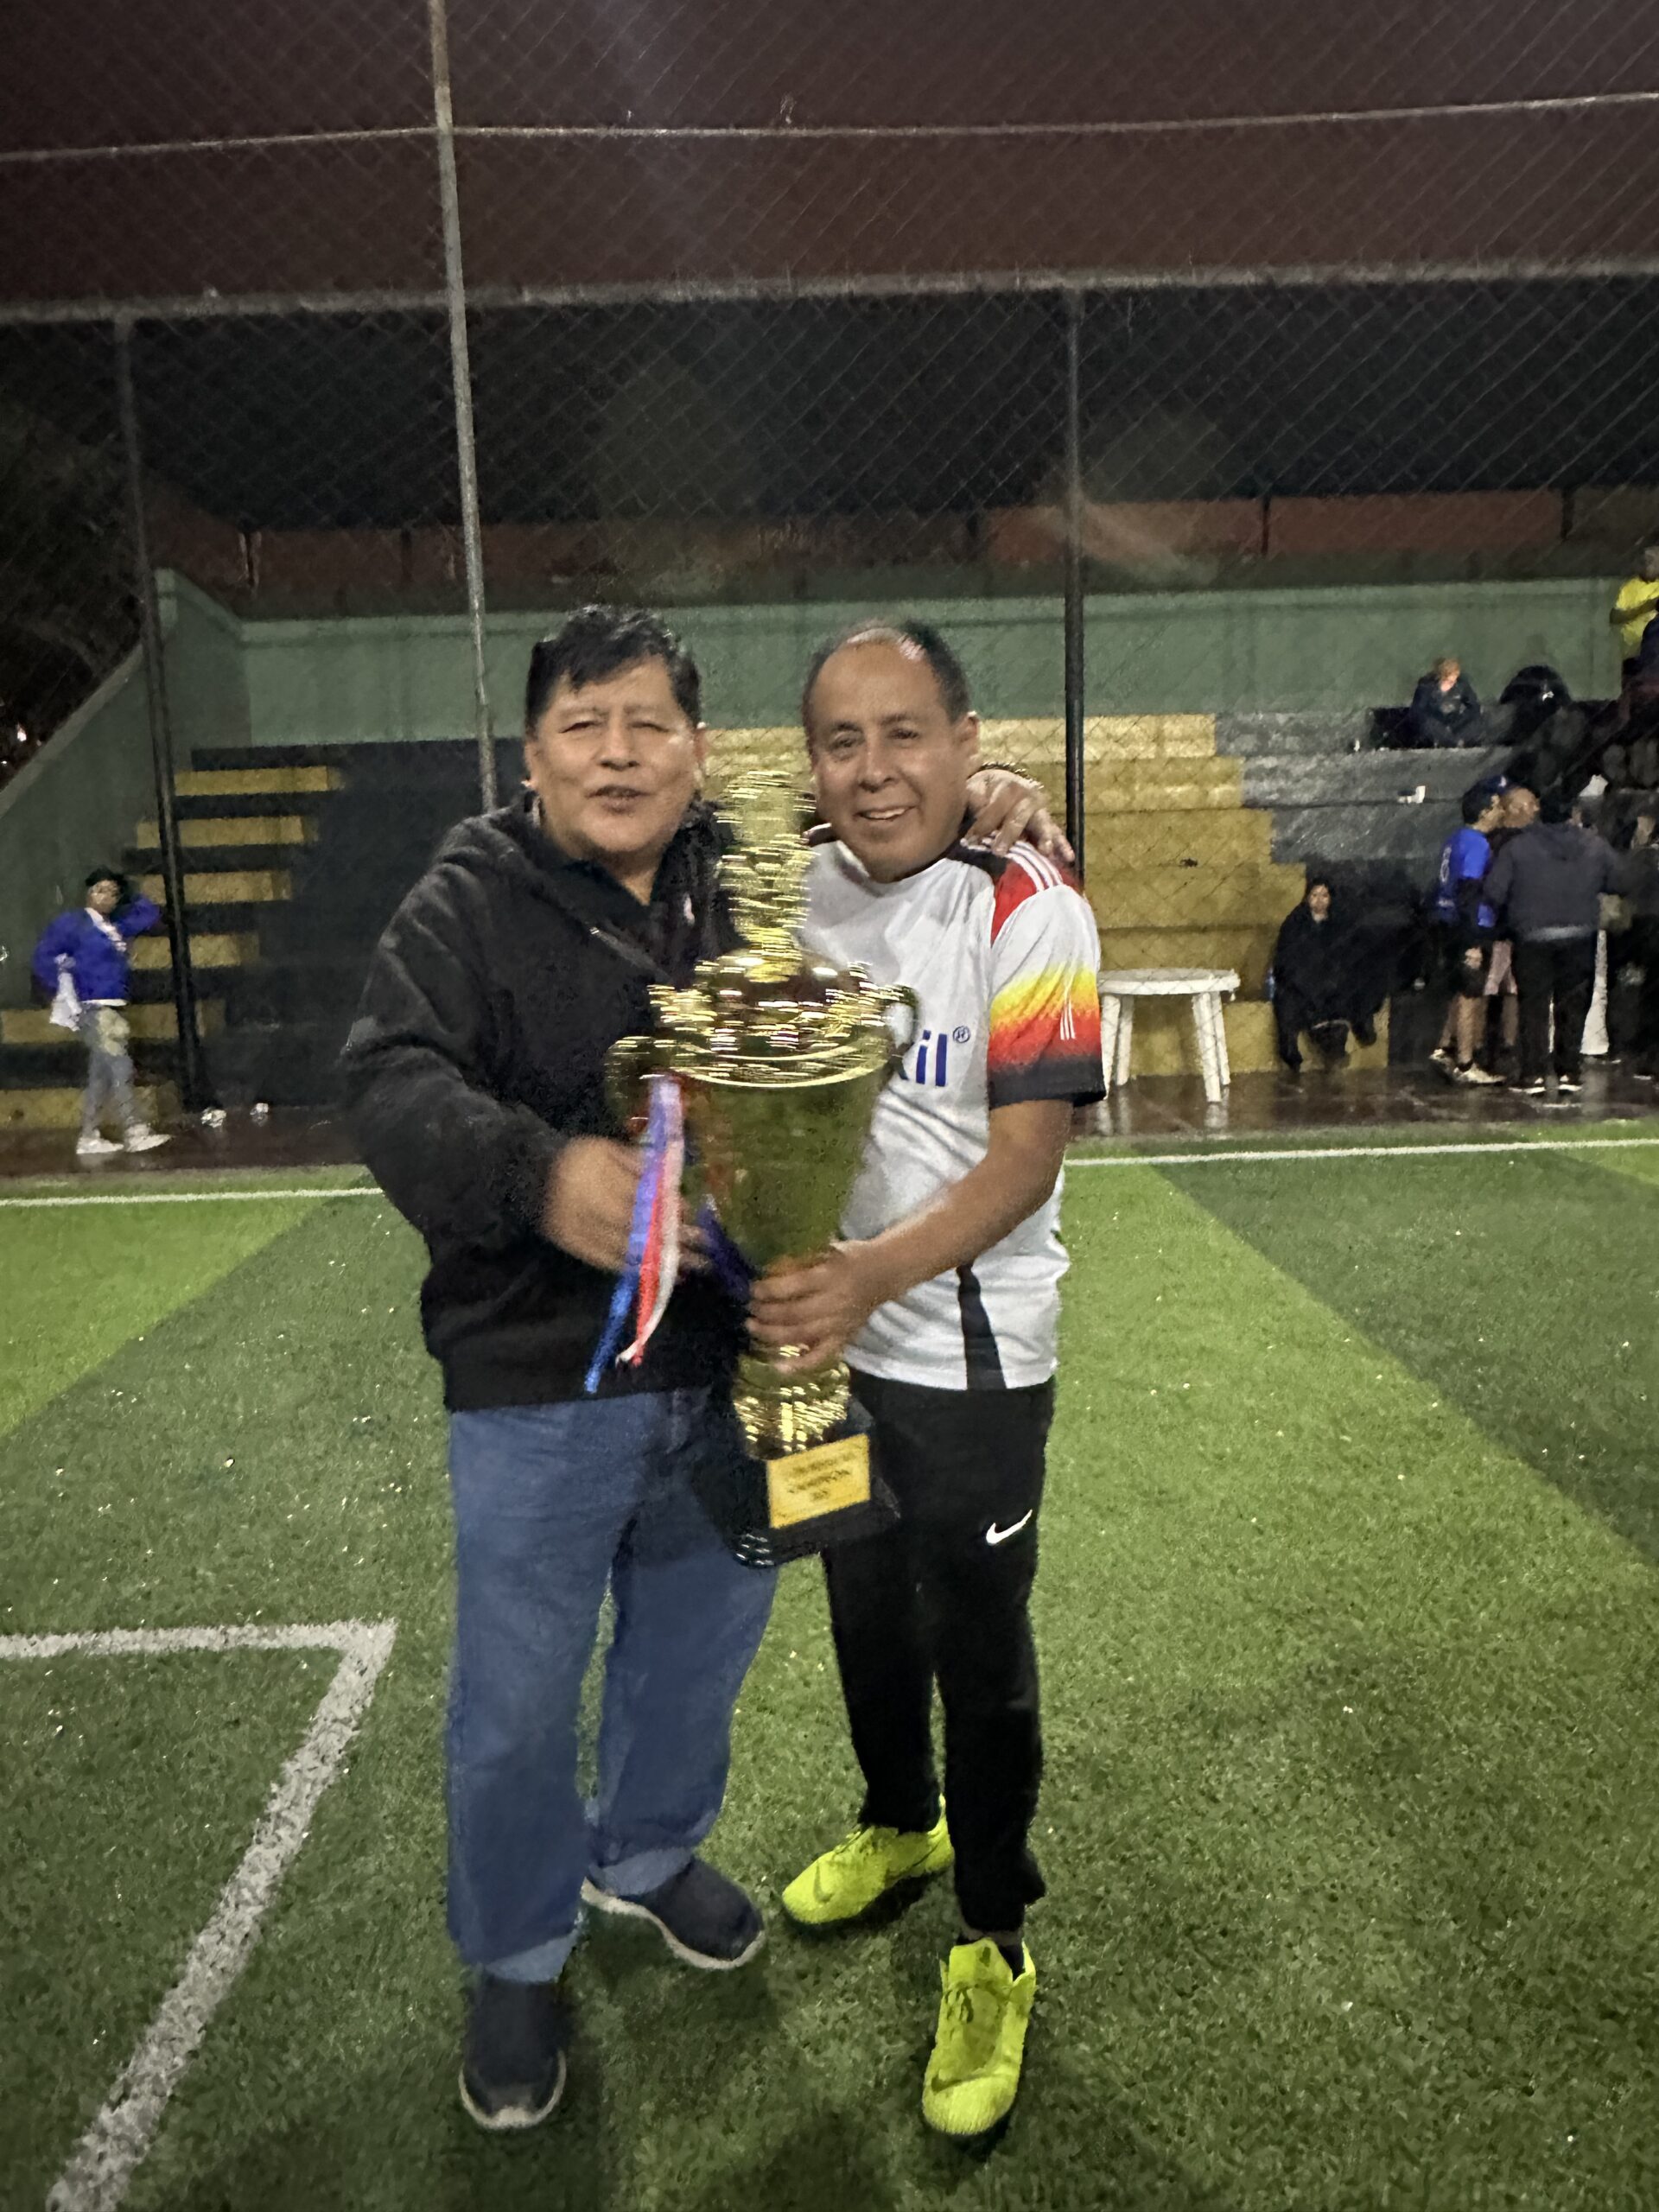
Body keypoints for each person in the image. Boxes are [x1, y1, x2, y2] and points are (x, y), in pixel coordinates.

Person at [340, 604, 1068, 2134]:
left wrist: (995, 802)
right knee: (518, 1702)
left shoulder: (747, 884)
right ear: (533, 752)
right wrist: (543, 1175)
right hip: (538, 1378)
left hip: (736, 1363)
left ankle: (650, 1852)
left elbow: (898, 822)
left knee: (695, 1650)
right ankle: (518, 1954)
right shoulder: (467, 896)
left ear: (696, 751)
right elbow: (388, 1081)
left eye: (648, 726)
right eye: (583, 726)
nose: (617, 756)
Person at [751, 620, 1103, 2141]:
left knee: (977, 1640)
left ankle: (993, 1936)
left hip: (969, 1354)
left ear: (968, 743)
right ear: (811, 763)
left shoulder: (1034, 905)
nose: (875, 769)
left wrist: (862, 1278)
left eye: (907, 734)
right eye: (843, 741)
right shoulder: (783, 896)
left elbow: (1026, 1163)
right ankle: (901, 1821)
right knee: (858, 1603)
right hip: (823, 1353)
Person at [1482, 786, 1622, 1096]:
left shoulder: (1518, 847)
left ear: (1540, 812)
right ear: (1573, 813)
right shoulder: (1595, 845)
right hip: (1579, 935)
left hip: (1532, 936)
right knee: (1572, 1003)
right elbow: (1618, 881)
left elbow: (1494, 891)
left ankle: (1533, 1073)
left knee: (1533, 1005)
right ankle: (1568, 1070)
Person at [30, 869, 169, 1156]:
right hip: (93, 1005)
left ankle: (89, 1135)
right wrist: (64, 982)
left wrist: (130, 893)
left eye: (113, 893)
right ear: (89, 892)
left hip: (111, 1004)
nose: (106, 897)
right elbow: (44, 956)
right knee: (121, 1066)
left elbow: (148, 915)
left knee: (101, 1075)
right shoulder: (74, 923)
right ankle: (134, 1130)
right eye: (100, 890)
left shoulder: (114, 926)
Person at [1428, 789, 1504, 1086]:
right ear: (1483, 812)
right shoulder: (1476, 843)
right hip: (1470, 925)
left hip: (1447, 921)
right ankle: (1465, 1061)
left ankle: (1444, 1047)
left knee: (1457, 988)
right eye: (1496, 806)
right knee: (1470, 993)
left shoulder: (1455, 838)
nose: (1500, 812)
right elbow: (1469, 890)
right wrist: (1472, 941)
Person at [1268, 875, 1369, 1074]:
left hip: (1329, 985)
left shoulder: (1338, 925)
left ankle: (1335, 1055)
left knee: (1340, 1006)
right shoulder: (1295, 924)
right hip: (1298, 985)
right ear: (1307, 897)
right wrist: (1305, 981)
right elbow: (1285, 962)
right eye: (1314, 895)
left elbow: (1346, 959)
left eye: (1324, 895)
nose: (1319, 900)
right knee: (1288, 1005)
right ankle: (1293, 1060)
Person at [1477, 784, 1540, 1072]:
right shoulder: (1519, 843)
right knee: (1500, 988)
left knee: (1500, 989)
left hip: (1506, 926)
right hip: (1506, 927)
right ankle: (1496, 1046)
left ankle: (1494, 1045)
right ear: (1515, 809)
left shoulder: (1493, 841)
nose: (1536, 809)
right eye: (1531, 804)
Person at [1609, 542, 1659, 682]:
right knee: (1632, 690)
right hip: (1632, 655)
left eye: (1652, 559)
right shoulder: (1629, 587)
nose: (1647, 563)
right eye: (1644, 560)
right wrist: (1644, 608)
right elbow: (1615, 617)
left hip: (1654, 656)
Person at [1408, 657, 1484, 749]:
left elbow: (1474, 707)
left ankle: (1458, 740)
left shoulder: (1461, 684)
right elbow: (1418, 711)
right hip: (1435, 723)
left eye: (1454, 680)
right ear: (1440, 677)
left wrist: (1462, 719)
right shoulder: (1426, 686)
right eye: (1448, 681)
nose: (1452, 683)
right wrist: (1437, 726)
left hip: (1455, 723)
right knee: (1426, 723)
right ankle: (1446, 741)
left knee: (1476, 720)